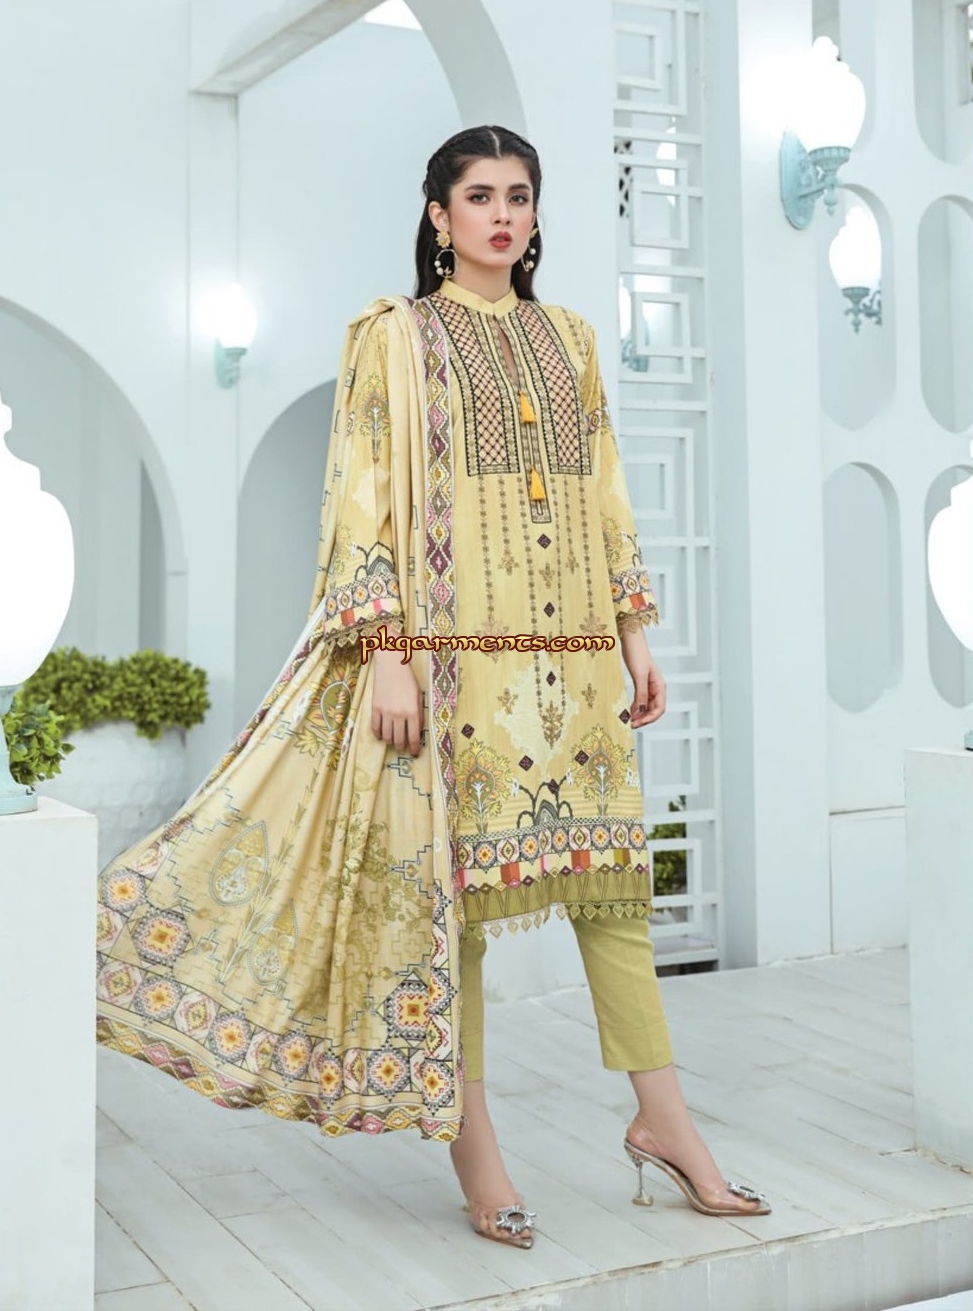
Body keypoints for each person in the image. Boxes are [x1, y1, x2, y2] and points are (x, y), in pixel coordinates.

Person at [96, 124, 768, 1252]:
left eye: (519, 196)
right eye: (480, 196)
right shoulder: (395, 338)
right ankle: (477, 1152)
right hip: (453, 666)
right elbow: (361, 492)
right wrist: (388, 649)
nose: (502, 215)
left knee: (615, 906)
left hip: (572, 665)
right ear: (437, 213)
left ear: (537, 215)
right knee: (452, 921)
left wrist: (634, 634)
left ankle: (666, 1124)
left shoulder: (571, 338)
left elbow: (604, 490)